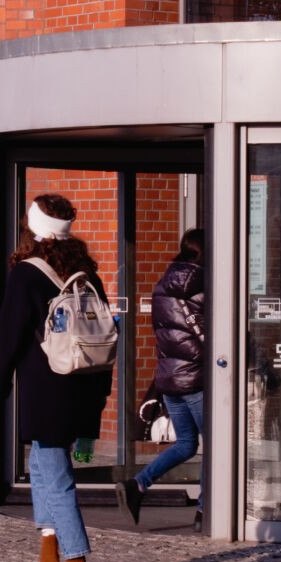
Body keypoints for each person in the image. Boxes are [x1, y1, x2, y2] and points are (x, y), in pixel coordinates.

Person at [0, 194, 113, 562]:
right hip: (84, 385)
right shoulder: (85, 272)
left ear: (33, 228)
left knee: (55, 476)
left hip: (48, 388)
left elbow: (8, 340)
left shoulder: (26, 275)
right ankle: (49, 557)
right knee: (40, 465)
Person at [116, 227, 205, 532]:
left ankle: (138, 484)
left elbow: (168, 336)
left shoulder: (162, 285)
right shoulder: (203, 286)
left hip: (168, 380)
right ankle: (206, 511)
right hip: (196, 381)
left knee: (187, 444)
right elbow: (202, 338)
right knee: (219, 447)